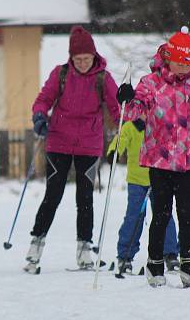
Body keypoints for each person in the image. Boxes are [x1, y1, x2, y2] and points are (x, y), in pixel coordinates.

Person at [120, 27, 190, 288]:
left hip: (187, 159)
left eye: (189, 62)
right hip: (159, 159)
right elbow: (135, 110)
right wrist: (126, 99)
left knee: (188, 214)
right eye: (180, 62)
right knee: (161, 213)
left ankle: (189, 265)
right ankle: (155, 263)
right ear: (169, 57)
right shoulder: (151, 83)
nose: (184, 67)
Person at [24, 26, 121, 272]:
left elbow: (117, 106)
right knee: (52, 195)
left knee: (85, 198)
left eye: (87, 59)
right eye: (78, 59)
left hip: (89, 145)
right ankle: (36, 243)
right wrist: (39, 116)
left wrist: (127, 122)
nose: (83, 64)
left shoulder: (103, 78)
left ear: (94, 56)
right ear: (71, 58)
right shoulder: (61, 74)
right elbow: (43, 99)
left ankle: (84, 248)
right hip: (59, 142)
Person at [107, 119, 179, 275]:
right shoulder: (131, 126)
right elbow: (121, 139)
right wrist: (114, 152)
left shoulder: (161, 123)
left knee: (164, 216)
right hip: (137, 181)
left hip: (159, 177)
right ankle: (125, 255)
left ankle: (170, 253)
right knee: (134, 217)